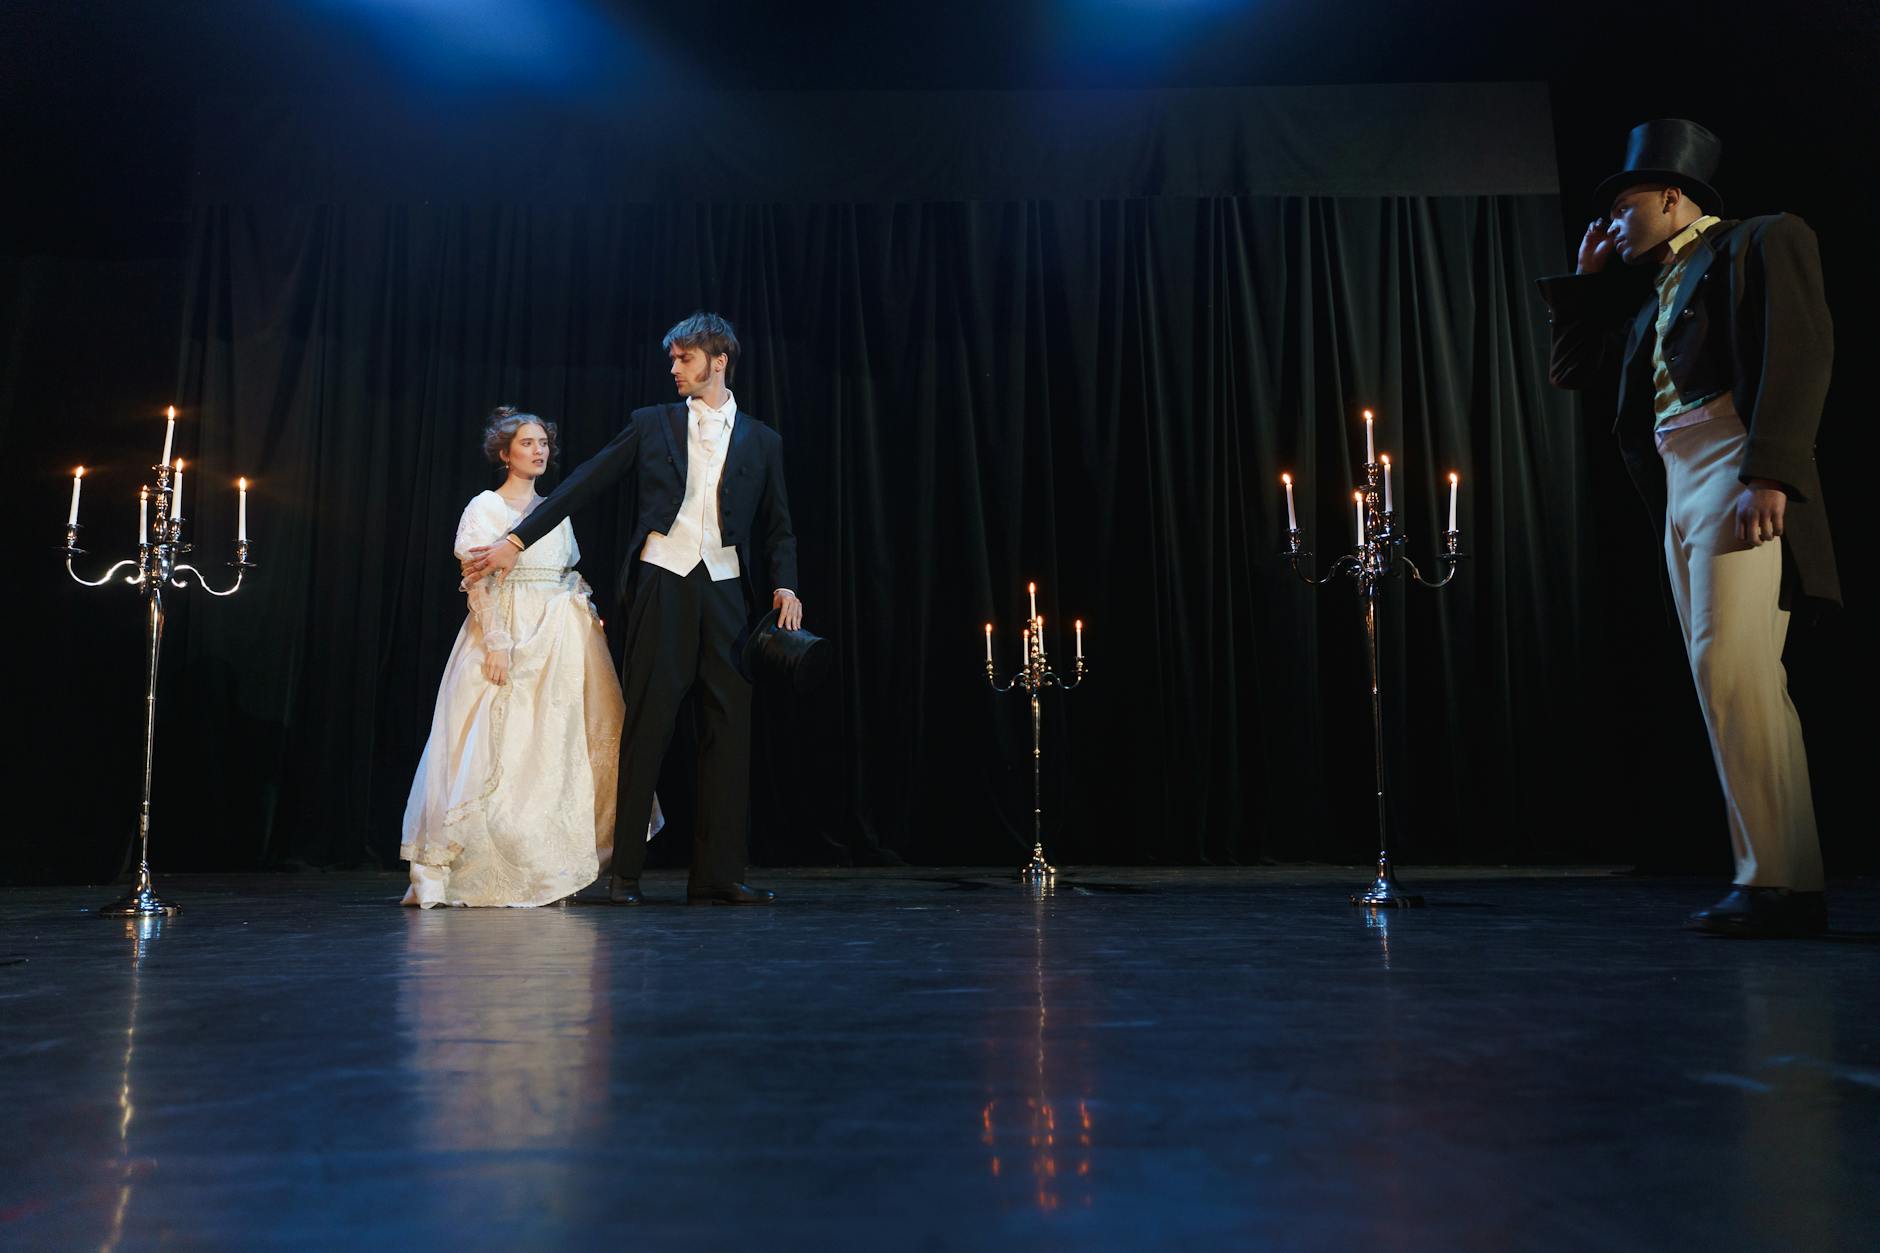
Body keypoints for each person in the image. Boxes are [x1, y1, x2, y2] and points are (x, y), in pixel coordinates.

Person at [1538, 119, 1838, 936]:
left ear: (1674, 197)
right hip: (1679, 478)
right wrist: (1586, 276)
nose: (1613, 226)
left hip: (1734, 456)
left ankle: (1771, 878)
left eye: (1626, 209)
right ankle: (1787, 880)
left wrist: (1770, 468)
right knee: (1735, 677)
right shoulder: (1648, 303)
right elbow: (1571, 370)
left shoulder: (1762, 240)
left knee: (1728, 664)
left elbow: (1800, 351)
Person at [463, 313, 799, 906]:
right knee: (647, 723)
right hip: (663, 584)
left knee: (728, 728)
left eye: (685, 359)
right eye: (672, 359)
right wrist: (517, 541)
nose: (674, 369)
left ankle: (718, 874)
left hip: (726, 589)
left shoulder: (763, 439)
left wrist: (787, 586)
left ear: (718, 361)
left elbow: (779, 528)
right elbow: (585, 482)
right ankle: (627, 875)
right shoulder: (652, 424)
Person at [401, 407, 658, 907]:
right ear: (504, 453)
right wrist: (496, 642)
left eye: (543, 443)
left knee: (555, 750)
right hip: (510, 632)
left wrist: (586, 607)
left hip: (560, 638)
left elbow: (564, 569)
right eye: (526, 443)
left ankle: (551, 866)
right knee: (501, 746)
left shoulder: (555, 507)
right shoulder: (485, 508)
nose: (538, 450)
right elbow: (477, 580)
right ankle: (488, 866)